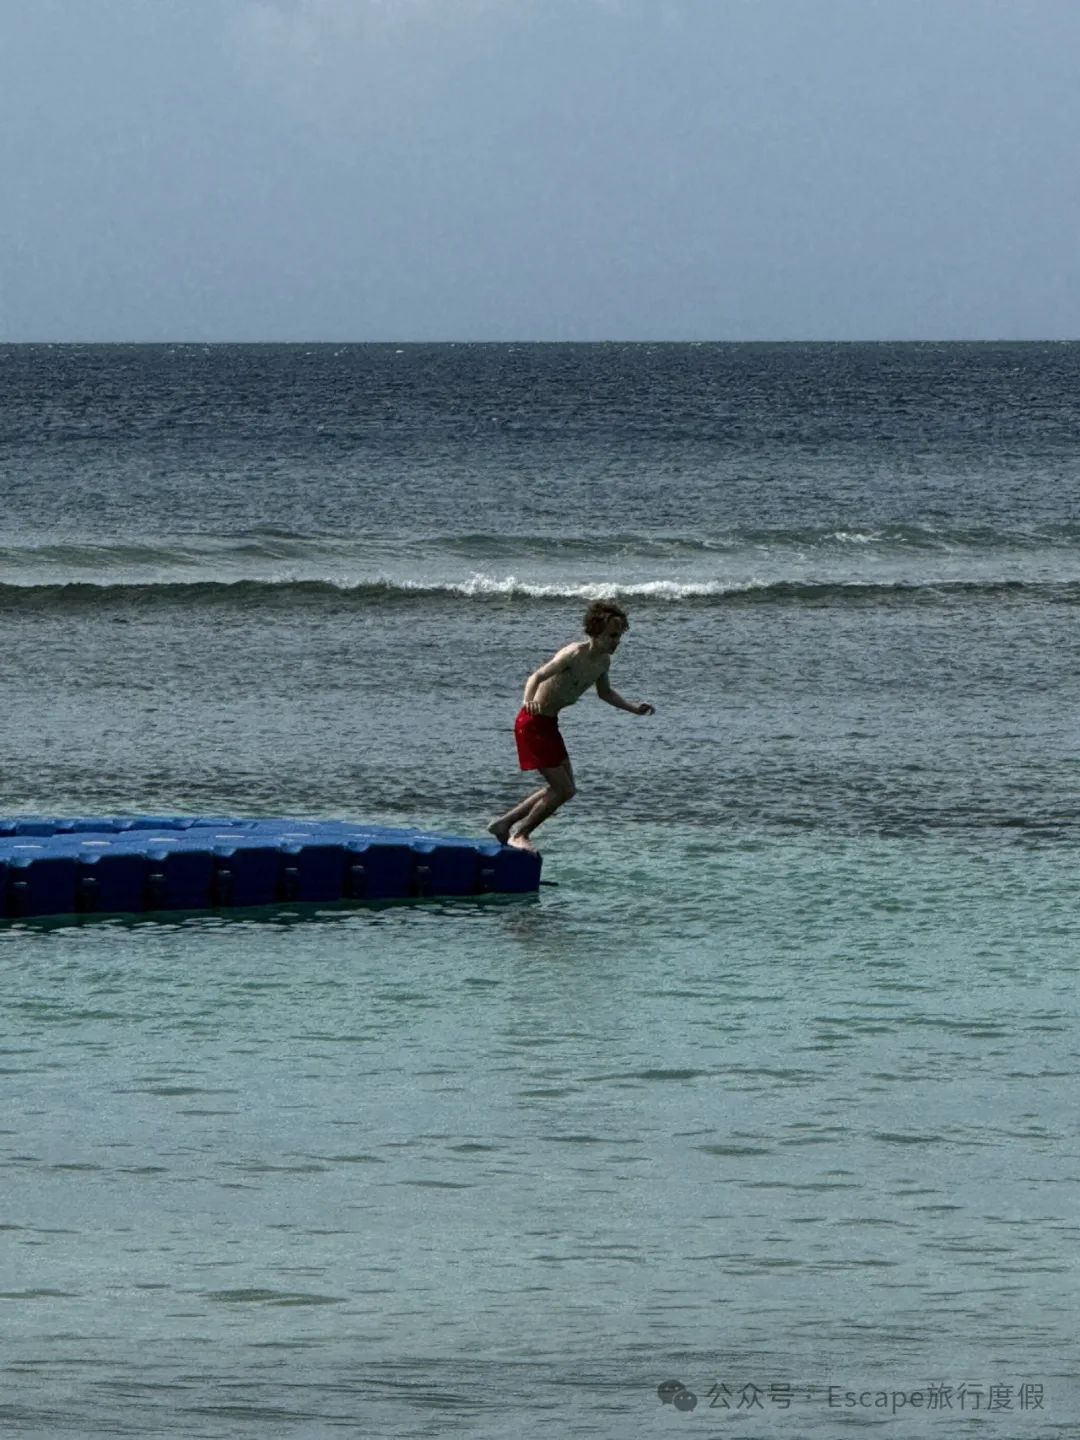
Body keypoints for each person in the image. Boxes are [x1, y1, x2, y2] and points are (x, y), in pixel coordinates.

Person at [488, 600, 654, 852]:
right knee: (561, 788)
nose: (616, 642)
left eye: (619, 636)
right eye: (611, 636)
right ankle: (520, 834)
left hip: (550, 724)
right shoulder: (573, 654)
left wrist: (633, 708)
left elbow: (605, 693)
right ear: (594, 632)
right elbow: (537, 676)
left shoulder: (602, 663)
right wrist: (528, 700)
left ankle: (504, 824)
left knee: (567, 790)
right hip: (532, 723)